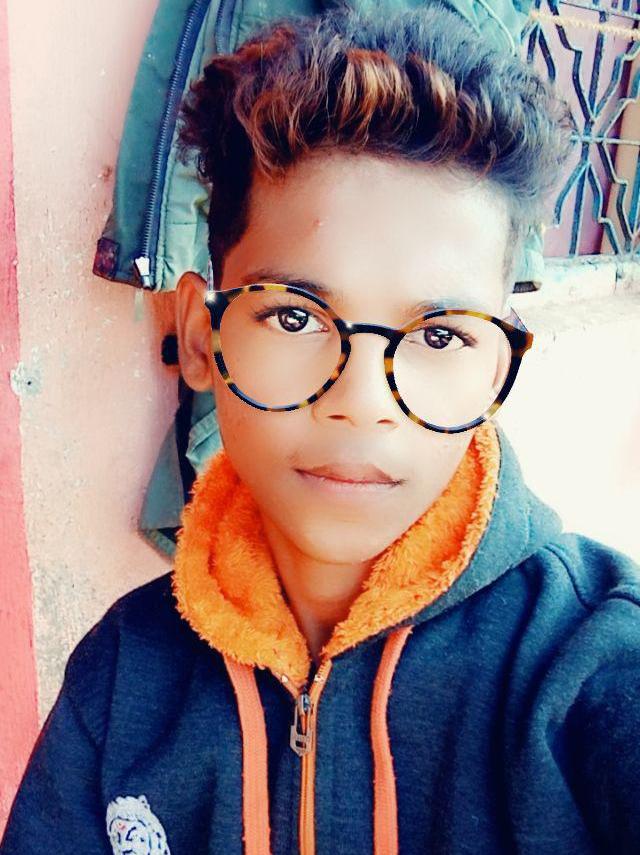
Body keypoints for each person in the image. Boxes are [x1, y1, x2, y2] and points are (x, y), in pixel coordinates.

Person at [2, 5, 639, 854]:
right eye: (296, 317)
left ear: (495, 370)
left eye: (440, 335)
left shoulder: (592, 664)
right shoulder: (121, 680)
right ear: (202, 337)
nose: (362, 400)